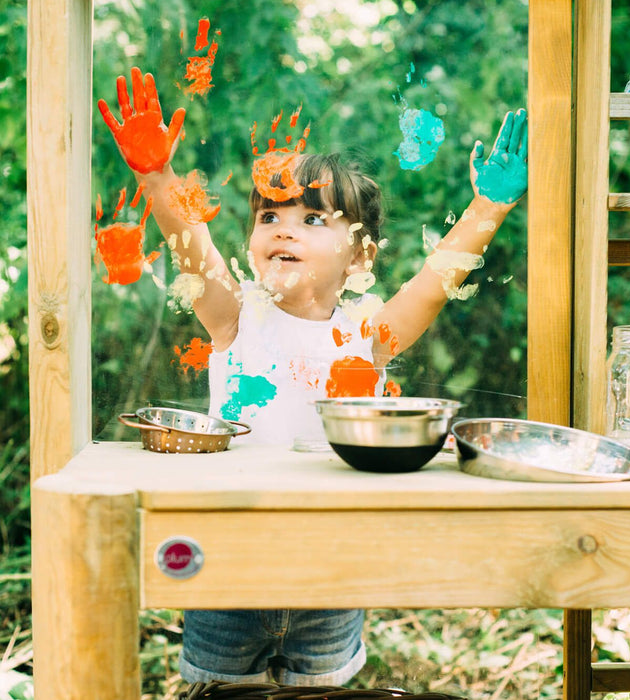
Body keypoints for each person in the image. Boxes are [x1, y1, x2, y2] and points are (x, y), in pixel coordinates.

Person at [98, 66, 528, 687]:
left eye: (311, 220)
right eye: (269, 216)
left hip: (334, 564)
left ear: (361, 256)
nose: (283, 230)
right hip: (229, 566)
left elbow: (438, 283)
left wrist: (489, 205)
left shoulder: (368, 334)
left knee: (319, 691)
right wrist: (158, 178)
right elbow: (190, 244)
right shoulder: (235, 317)